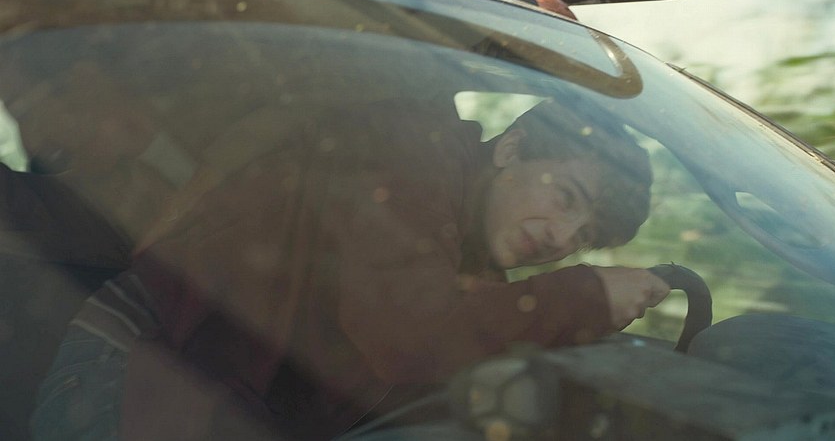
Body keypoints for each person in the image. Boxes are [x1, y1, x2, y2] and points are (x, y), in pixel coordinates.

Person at [30, 98, 670, 440]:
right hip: (138, 371)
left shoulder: (479, 265)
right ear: (512, 147)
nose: (561, 238)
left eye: (585, 240)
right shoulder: (409, 153)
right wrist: (584, 296)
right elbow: (406, 333)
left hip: (230, 398)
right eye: (565, 199)